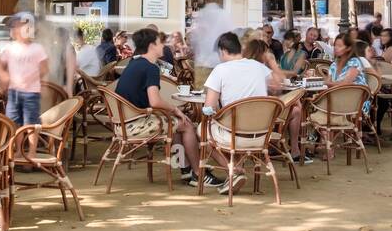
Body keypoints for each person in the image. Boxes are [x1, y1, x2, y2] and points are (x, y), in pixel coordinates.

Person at [116, 27, 208, 187]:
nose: (163, 47)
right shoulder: (151, 67)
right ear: (152, 45)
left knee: (176, 124)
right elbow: (155, 102)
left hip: (124, 123)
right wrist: (176, 109)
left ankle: (185, 168)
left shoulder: (135, 63)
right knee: (186, 125)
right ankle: (199, 173)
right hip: (136, 125)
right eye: (160, 43)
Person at [200, 32, 276, 192]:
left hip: (234, 135)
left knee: (202, 128)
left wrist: (216, 112)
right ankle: (234, 172)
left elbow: (209, 108)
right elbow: (276, 88)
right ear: (239, 48)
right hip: (261, 134)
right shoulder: (260, 68)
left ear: (222, 51)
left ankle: (232, 169)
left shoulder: (220, 70)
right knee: (230, 125)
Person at [0, 12, 48, 162]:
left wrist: (31, 77)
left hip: (31, 92)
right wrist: (3, 77)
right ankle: (19, 150)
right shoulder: (10, 48)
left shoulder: (37, 48)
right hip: (14, 92)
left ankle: (31, 152)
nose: (17, 29)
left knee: (31, 123)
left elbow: (44, 68)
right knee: (15, 122)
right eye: (16, 27)